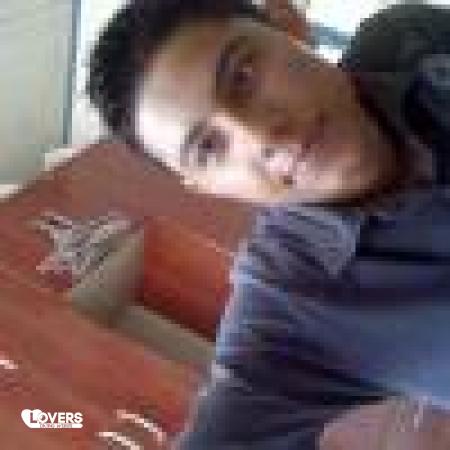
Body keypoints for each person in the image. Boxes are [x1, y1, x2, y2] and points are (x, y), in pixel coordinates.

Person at [88, 1, 450, 448]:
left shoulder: (406, 38)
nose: (263, 136)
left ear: (291, 28)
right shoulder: (288, 312)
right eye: (208, 148)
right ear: (203, 186)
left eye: (243, 76)